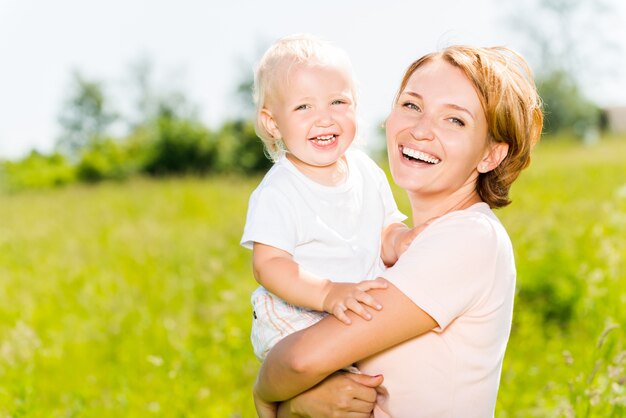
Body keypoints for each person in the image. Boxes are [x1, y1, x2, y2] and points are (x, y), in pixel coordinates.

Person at [253, 44, 543, 418]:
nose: (421, 130)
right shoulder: (396, 248)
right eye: (411, 105)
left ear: (490, 155)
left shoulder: (470, 238)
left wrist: (267, 394)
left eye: (455, 120)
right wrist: (302, 404)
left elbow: (300, 361)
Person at [241, 34, 418, 362]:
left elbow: (385, 230)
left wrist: (402, 241)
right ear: (272, 122)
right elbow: (269, 266)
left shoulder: (366, 169)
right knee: (328, 385)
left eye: (338, 102)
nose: (324, 118)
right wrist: (326, 292)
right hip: (296, 317)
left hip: (353, 306)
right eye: (303, 106)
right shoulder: (278, 190)